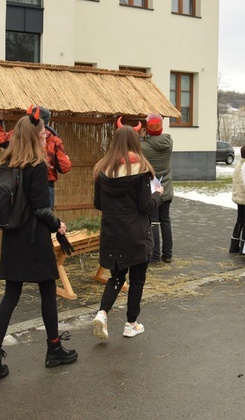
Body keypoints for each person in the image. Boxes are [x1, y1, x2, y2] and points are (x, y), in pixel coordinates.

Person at [0, 109, 77, 383]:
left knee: (10, 297)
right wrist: (58, 224)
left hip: (12, 239)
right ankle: (54, 349)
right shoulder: (37, 167)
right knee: (47, 291)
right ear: (34, 135)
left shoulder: (6, 164)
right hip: (34, 240)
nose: (46, 132)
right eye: (43, 130)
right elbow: (40, 208)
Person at [91, 125, 163, 340]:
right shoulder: (140, 169)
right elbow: (145, 206)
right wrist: (158, 195)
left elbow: (98, 203)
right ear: (135, 142)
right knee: (137, 278)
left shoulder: (101, 169)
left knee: (116, 276)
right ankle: (131, 324)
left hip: (112, 231)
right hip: (136, 232)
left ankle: (102, 313)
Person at [0, 106, 71, 208]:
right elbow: (64, 167)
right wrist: (67, 159)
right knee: (44, 218)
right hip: (45, 186)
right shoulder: (53, 139)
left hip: (20, 183)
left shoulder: (18, 135)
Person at [140, 114, 174, 263]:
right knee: (165, 220)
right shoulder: (169, 142)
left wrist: (141, 136)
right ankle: (168, 254)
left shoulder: (144, 147)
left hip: (153, 190)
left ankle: (155, 255)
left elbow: (137, 147)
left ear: (147, 129)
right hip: (166, 188)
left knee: (153, 221)